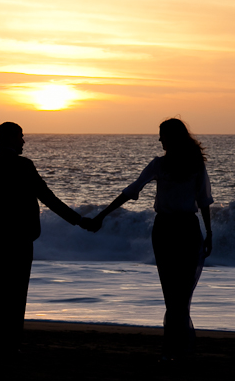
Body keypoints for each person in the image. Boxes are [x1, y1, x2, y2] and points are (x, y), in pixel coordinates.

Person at [0, 108, 95, 352]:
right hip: (20, 236)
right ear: (10, 138)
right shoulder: (24, 166)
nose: (24, 140)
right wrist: (79, 221)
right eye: (20, 136)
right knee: (17, 288)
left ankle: (0, 338)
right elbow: (49, 198)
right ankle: (12, 339)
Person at [90, 118, 213, 360]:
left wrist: (209, 232)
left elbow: (204, 200)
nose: (159, 140)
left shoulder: (194, 165)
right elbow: (131, 190)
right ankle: (176, 349)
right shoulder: (160, 165)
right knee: (172, 294)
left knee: (181, 295)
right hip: (168, 230)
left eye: (162, 135)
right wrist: (102, 215)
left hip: (185, 229)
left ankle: (177, 348)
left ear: (173, 137)